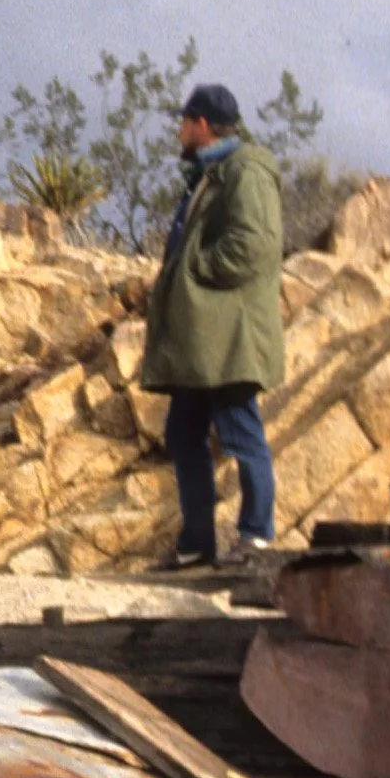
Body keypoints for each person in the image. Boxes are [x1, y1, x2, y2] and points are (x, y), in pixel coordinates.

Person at [140, 82, 285, 569]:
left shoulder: (246, 171)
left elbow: (252, 245)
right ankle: (197, 544)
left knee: (242, 433)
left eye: (184, 122)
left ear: (201, 124)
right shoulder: (210, 173)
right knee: (184, 434)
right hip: (204, 342)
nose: (179, 131)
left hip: (229, 340)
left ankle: (256, 538)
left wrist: (193, 268)